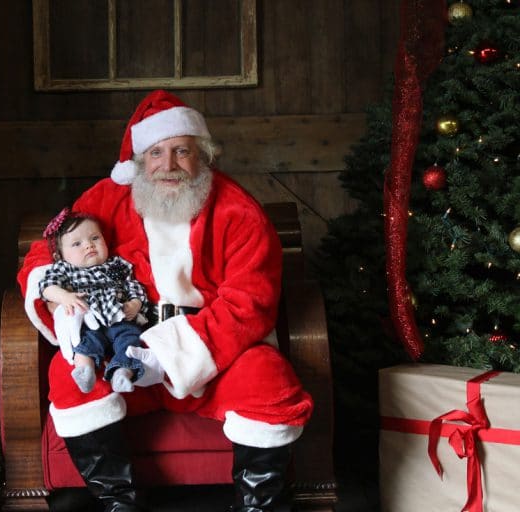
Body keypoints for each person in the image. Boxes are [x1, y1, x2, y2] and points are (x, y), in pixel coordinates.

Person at [18, 89, 313, 512]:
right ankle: (119, 504)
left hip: (214, 353)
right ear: (140, 160)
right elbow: (42, 254)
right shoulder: (106, 199)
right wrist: (53, 293)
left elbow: (250, 304)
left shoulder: (238, 210)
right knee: (69, 375)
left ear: (204, 155)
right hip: (125, 348)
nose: (168, 165)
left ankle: (258, 507)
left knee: (269, 379)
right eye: (156, 153)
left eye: (181, 151)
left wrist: (169, 351)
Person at [39, 208, 149, 394]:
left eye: (95, 238)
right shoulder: (65, 269)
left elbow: (134, 286)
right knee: (86, 341)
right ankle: (84, 370)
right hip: (90, 317)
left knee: (130, 339)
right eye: (76, 243)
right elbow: (47, 287)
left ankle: (122, 372)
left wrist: (135, 304)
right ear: (60, 256)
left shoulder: (118, 264)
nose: (89, 245)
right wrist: (65, 297)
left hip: (119, 315)